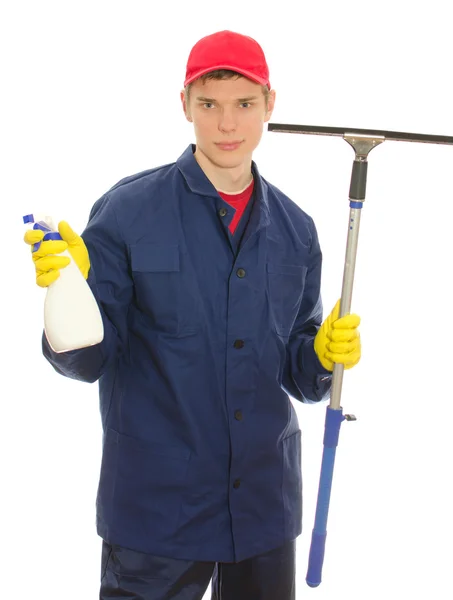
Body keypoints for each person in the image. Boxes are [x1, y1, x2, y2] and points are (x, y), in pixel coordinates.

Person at [24, 30, 361, 600]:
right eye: (209, 105)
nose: (227, 124)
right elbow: (87, 360)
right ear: (185, 105)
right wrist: (68, 294)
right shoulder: (128, 213)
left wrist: (321, 357)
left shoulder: (297, 230)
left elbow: (297, 371)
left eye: (244, 105)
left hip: (262, 507)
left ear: (269, 105)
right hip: (158, 512)